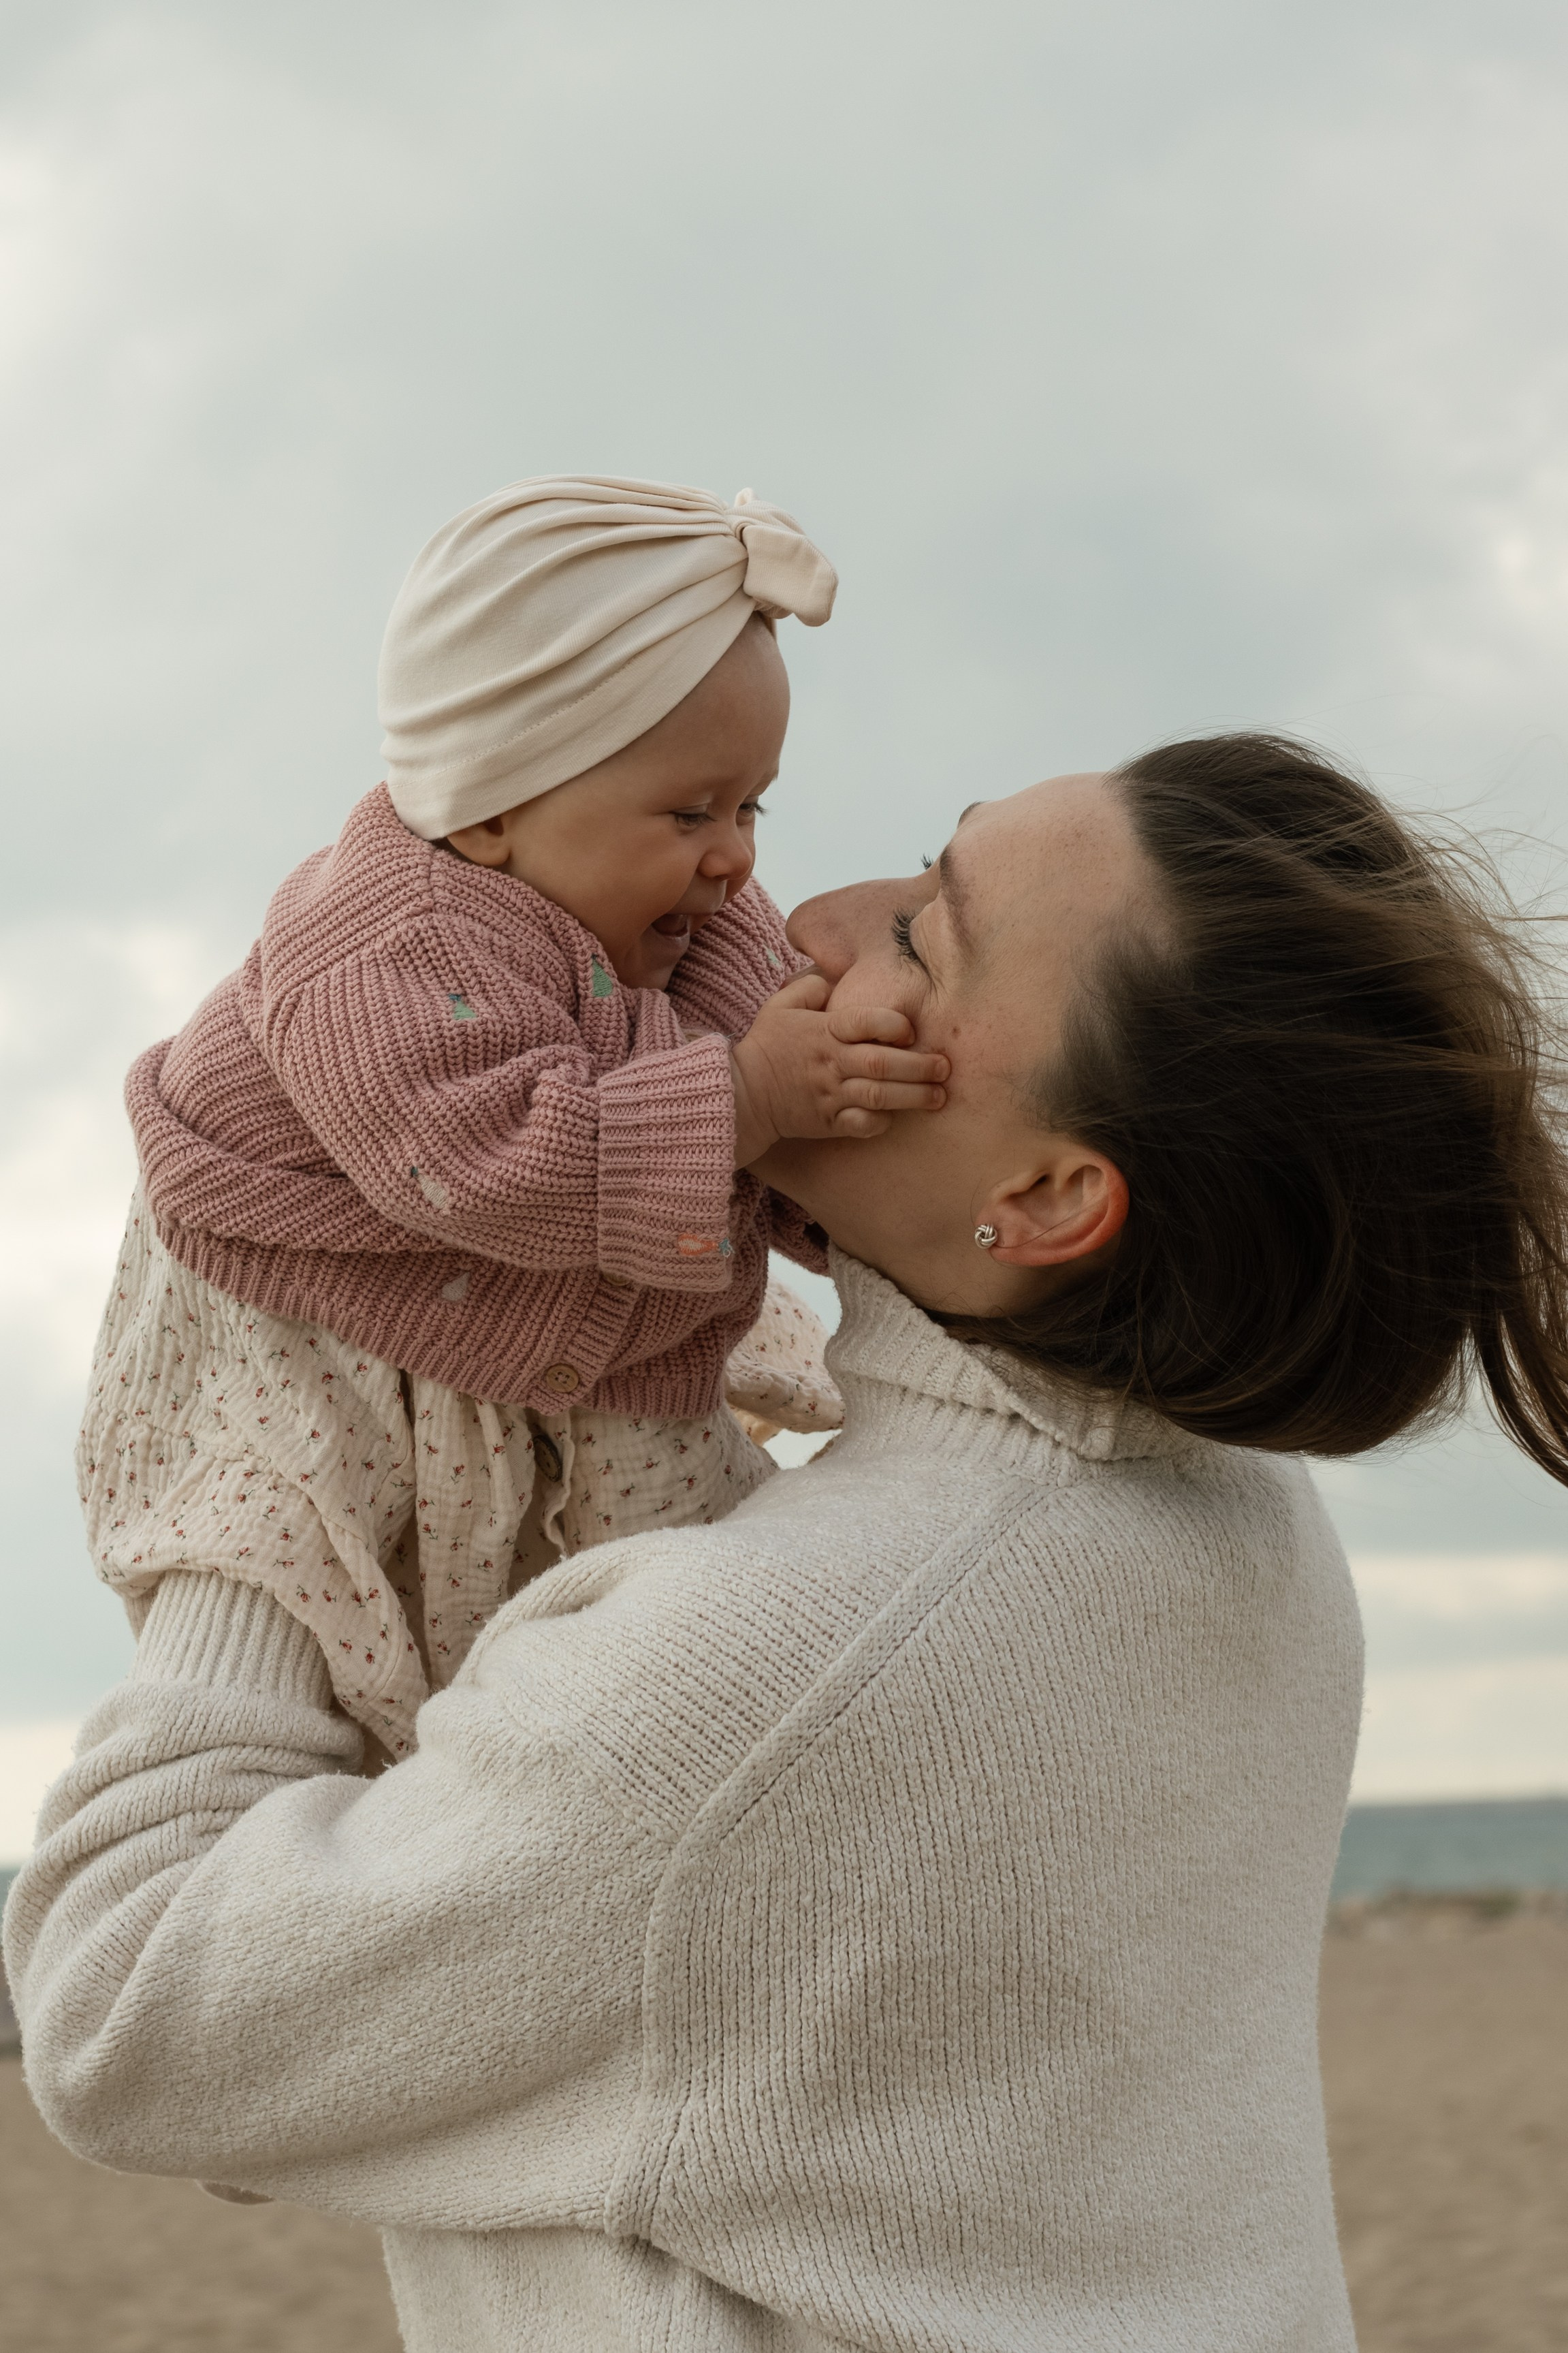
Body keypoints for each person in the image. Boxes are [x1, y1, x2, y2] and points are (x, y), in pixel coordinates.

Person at [13, 734, 1568, 2351]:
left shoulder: (768, 1680)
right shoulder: (1238, 1517)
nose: (807, 919)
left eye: (922, 937)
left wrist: (263, 1447)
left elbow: (126, 2012)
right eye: (917, 857)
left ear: (1044, 1198)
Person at [88, 475, 948, 1754]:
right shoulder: (380, 948)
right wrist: (751, 1096)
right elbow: (486, 1160)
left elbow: (776, 1049)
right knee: (330, 1582)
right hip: (330, 1315)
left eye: (752, 804)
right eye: (692, 811)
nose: (738, 857)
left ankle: (656, 1756)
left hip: (577, 1315)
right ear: (489, 807)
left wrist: (837, 1109)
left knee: (684, 1602)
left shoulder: (689, 917)